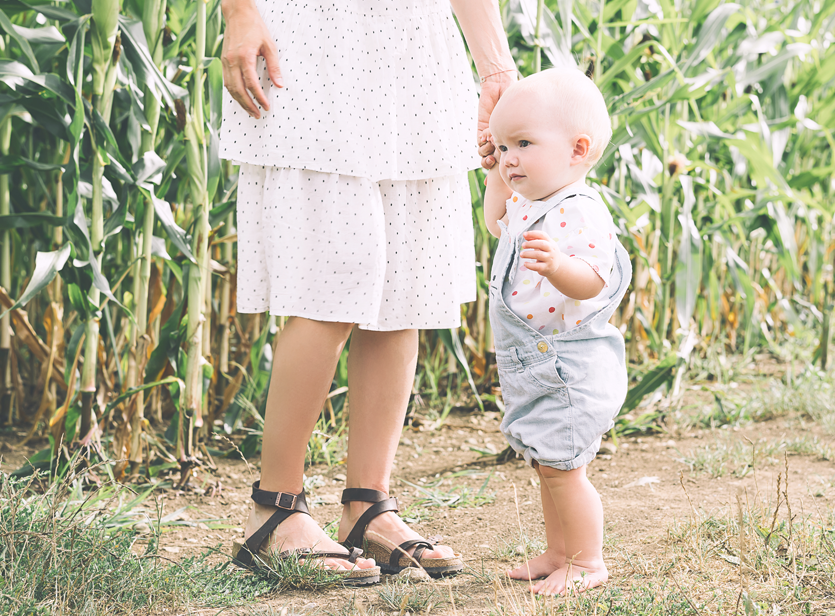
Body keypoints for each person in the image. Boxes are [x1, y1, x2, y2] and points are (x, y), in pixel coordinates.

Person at [218, 0, 516, 585]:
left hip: (419, 54)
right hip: (314, 40)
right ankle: (275, 510)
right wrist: (239, 11)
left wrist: (497, 69)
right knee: (329, 281)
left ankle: (367, 506)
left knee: (406, 287)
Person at [482, 68, 632, 595]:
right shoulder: (533, 204)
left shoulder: (579, 211)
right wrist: (495, 177)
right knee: (548, 464)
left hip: (568, 365)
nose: (509, 157)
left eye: (523, 144)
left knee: (566, 470)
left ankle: (587, 561)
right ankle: (558, 551)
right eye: (502, 146)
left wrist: (558, 266)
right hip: (538, 362)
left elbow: (593, 281)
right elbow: (496, 224)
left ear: (577, 149)